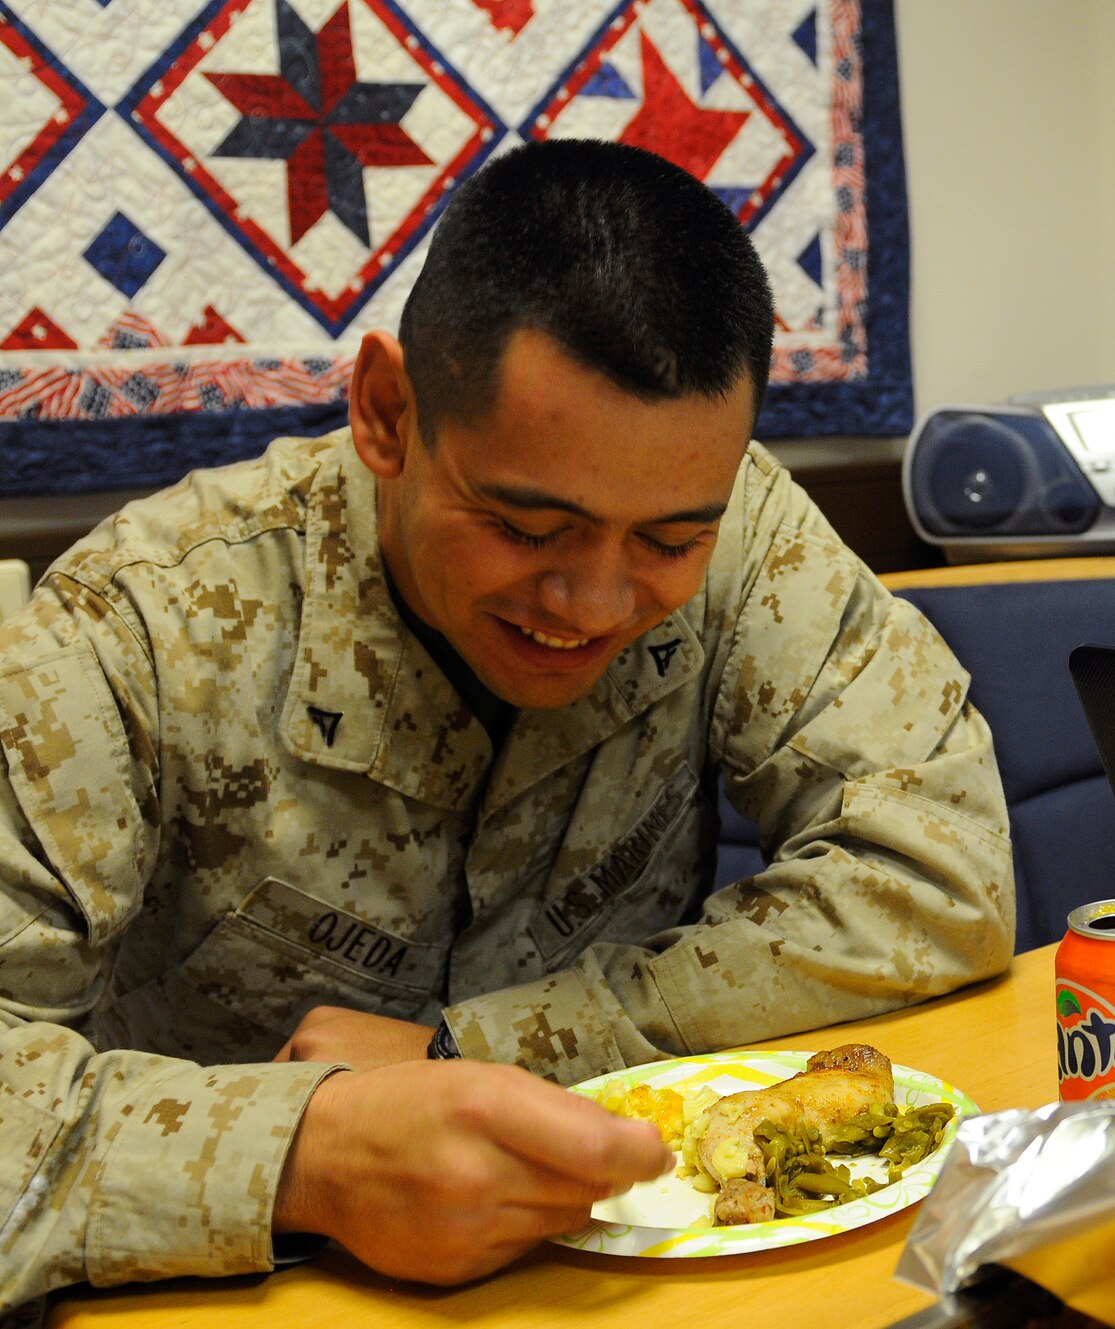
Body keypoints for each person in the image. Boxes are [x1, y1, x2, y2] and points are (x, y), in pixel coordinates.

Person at [0, 140, 1012, 1311]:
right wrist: (303, 1155)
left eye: (667, 544)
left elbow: (941, 877)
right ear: (388, 411)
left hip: (640, 1278)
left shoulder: (742, 527)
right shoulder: (133, 626)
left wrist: (480, 1050)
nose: (589, 605)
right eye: (527, 527)